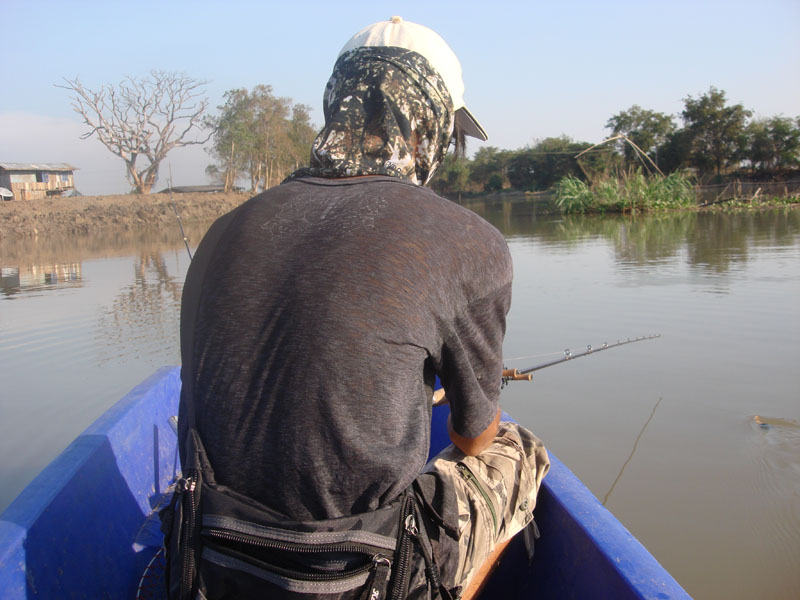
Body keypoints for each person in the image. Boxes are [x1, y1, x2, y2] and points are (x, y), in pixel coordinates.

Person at [175, 16, 549, 599]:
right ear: (423, 126)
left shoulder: (222, 233)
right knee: (518, 450)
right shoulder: (468, 242)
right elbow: (475, 440)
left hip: (221, 559)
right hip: (362, 574)